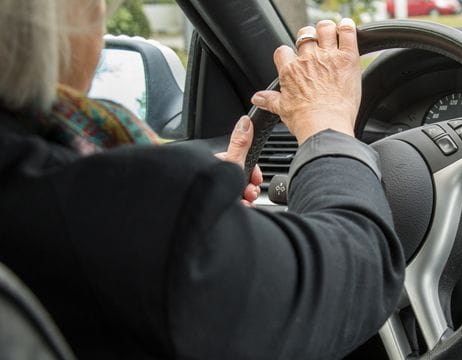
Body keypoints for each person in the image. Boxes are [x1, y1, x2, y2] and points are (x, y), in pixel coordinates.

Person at [0, 1, 405, 359]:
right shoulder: (117, 213)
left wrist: (209, 223)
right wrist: (327, 122)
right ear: (44, 32)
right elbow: (356, 273)